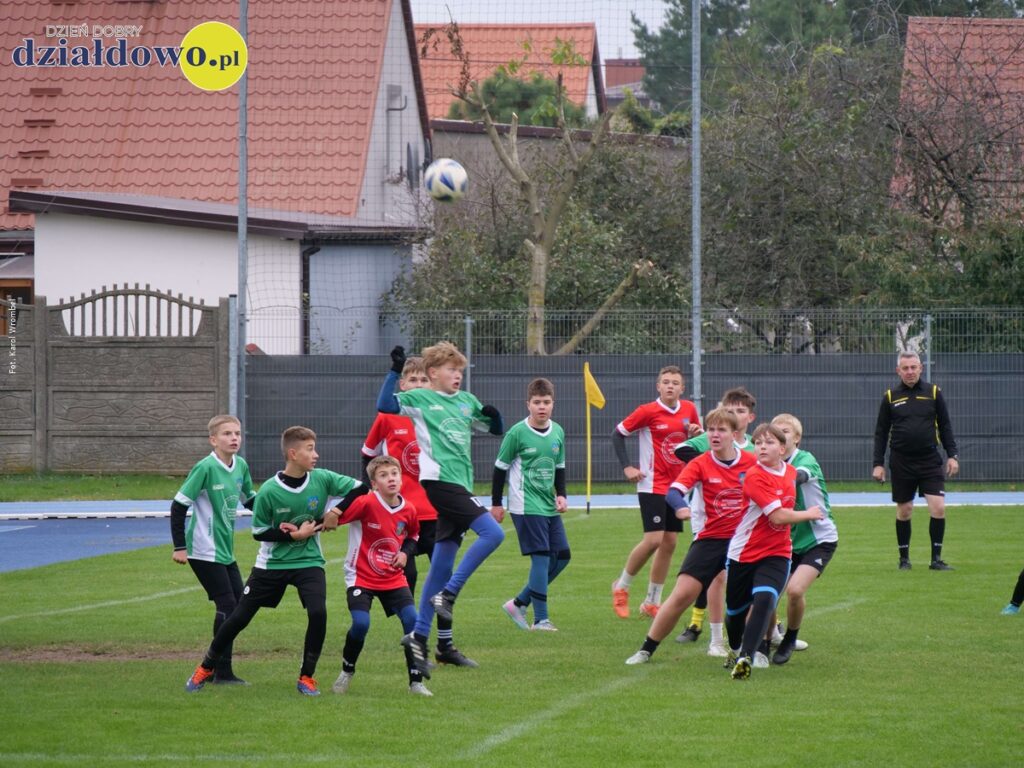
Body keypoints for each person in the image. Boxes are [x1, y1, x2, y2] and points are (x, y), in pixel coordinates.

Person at [184, 426, 365, 696]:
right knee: (239, 616)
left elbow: (363, 487)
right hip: (272, 565)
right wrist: (294, 536)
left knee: (318, 613)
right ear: (293, 454)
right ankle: (206, 667)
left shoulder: (323, 478)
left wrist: (335, 511)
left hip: (309, 561)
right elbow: (259, 533)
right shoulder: (269, 490)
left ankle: (306, 677)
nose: (316, 454)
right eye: (310, 449)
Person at [376, 342, 504, 674]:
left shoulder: (466, 401)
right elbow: (385, 405)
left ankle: (422, 638)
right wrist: (394, 371)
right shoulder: (421, 398)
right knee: (493, 533)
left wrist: (495, 417)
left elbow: (494, 429)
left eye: (460, 370)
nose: (457, 375)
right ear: (433, 373)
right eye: (451, 370)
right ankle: (448, 595)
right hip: (440, 482)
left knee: (441, 565)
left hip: (461, 484)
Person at [625, 408, 756, 665]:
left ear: (734, 434)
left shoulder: (751, 463)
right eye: (711, 430)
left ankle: (760, 646)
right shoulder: (700, 463)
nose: (714, 435)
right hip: (711, 539)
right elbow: (674, 491)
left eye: (721, 430)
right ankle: (646, 649)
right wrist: (680, 507)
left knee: (758, 595)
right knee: (683, 593)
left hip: (745, 539)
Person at [724, 423, 823, 680]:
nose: (762, 447)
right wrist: (809, 514)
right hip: (744, 553)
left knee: (766, 599)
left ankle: (745, 659)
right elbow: (778, 517)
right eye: (758, 443)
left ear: (782, 448)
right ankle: (735, 648)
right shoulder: (754, 476)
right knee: (734, 614)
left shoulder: (790, 472)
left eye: (769, 442)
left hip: (778, 552)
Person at [330, 456, 432, 697]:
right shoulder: (366, 503)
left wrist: (405, 553)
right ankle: (347, 671)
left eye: (394, 474)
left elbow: (413, 535)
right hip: (360, 576)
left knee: (412, 621)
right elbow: (333, 520)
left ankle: (416, 682)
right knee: (361, 624)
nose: (391, 479)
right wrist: (316, 522)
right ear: (374, 484)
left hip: (393, 578)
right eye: (384, 475)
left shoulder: (408, 509)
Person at [611, 366, 702, 619]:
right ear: (658, 386)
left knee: (669, 542)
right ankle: (621, 586)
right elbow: (618, 434)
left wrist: (697, 433)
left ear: (682, 388)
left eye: (675, 382)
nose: (670, 386)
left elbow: (696, 441)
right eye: (666, 382)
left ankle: (652, 601)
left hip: (677, 487)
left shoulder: (689, 410)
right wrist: (628, 467)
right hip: (652, 484)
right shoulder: (647, 411)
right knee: (653, 540)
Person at [170, 414, 255, 684]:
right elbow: (178, 505)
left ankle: (217, 669)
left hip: (225, 550)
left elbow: (251, 501)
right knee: (228, 605)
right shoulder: (205, 467)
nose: (234, 438)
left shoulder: (241, 465)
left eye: (237, 433)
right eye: (227, 434)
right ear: (213, 440)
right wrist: (180, 547)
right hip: (202, 549)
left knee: (239, 607)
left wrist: (278, 518)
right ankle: (219, 671)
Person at [673, 386, 757, 646]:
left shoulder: (755, 446)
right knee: (714, 575)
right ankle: (699, 625)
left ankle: (769, 628)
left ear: (750, 417)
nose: (734, 414)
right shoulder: (710, 440)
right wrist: (711, 466)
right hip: (708, 519)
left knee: (752, 575)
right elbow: (680, 450)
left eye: (740, 411)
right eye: (729, 409)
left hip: (743, 524)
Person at [493, 378, 569, 632]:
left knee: (562, 557)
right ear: (528, 404)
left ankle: (518, 603)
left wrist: (562, 494)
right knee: (541, 558)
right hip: (525, 505)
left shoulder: (557, 431)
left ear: (553, 403)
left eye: (546, 402)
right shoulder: (517, 433)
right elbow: (500, 468)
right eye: (537, 402)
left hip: (548, 504)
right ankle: (541, 619)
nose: (542, 407)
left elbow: (559, 466)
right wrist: (496, 503)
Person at [872, 351, 959, 571]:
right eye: (905, 368)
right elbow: (881, 432)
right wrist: (878, 464)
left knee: (938, 508)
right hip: (901, 461)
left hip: (929, 460)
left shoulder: (934, 392)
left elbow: (945, 426)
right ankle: (904, 560)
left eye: (913, 367)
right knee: (905, 510)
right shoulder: (890, 396)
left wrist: (952, 455)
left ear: (921, 368)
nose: (910, 372)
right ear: (898, 371)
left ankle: (936, 560)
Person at [770, 413, 839, 665]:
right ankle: (768, 638)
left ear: (797, 438)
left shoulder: (805, 460)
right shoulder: (766, 463)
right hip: (784, 541)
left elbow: (797, 476)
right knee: (767, 593)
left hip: (818, 540)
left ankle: (789, 638)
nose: (780, 436)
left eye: (785, 432)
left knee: (795, 590)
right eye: (775, 432)